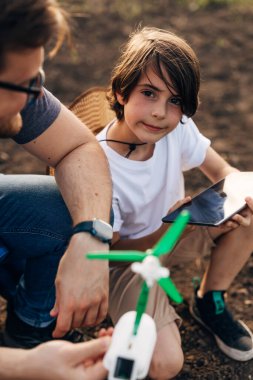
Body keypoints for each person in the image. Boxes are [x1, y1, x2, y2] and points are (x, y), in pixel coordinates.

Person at [97, 27, 253, 379]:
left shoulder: (176, 128)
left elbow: (222, 170)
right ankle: (113, 331)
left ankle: (209, 301)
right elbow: (111, 248)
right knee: (166, 366)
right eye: (149, 93)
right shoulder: (99, 166)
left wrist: (230, 204)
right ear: (121, 91)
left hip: (179, 229)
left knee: (249, 203)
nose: (159, 113)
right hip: (130, 265)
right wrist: (169, 227)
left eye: (175, 100)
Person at [0, 0, 113, 379]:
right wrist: (24, 369)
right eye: (29, 82)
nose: (38, 95)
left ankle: (29, 330)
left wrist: (91, 237)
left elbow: (78, 147)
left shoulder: (15, 91)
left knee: (62, 210)